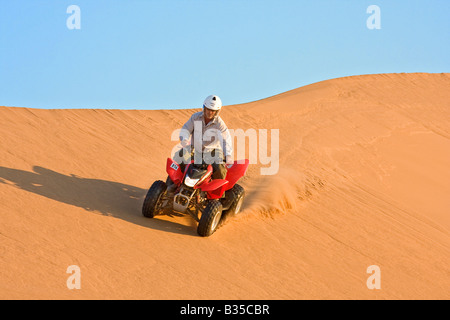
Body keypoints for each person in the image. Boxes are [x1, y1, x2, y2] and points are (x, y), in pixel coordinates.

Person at [167, 95, 233, 192]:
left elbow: (225, 140)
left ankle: (216, 194)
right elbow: (185, 129)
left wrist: (228, 155)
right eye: (208, 109)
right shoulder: (195, 117)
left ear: (217, 112)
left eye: (213, 111)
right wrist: (184, 140)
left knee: (219, 168)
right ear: (204, 107)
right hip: (195, 148)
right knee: (180, 155)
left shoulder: (220, 124)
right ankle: (173, 183)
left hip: (213, 151)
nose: (210, 112)